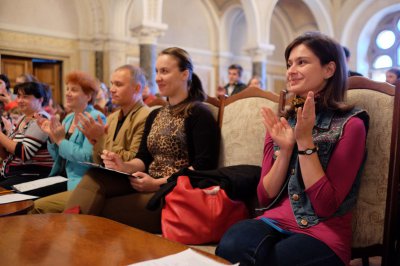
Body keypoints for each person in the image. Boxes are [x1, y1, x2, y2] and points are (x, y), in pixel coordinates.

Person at [216, 32, 369, 266]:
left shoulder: (351, 125)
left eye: (302, 62)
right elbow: (264, 196)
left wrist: (305, 142)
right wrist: (286, 149)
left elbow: (325, 205)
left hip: (322, 231)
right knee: (230, 244)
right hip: (274, 221)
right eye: (289, 64)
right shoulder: (282, 122)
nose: (290, 71)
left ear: (329, 69)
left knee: (277, 260)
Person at [64, 47, 220, 231]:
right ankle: (67, 235)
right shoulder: (156, 115)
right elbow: (144, 158)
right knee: (95, 176)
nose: (158, 78)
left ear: (185, 74)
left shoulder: (199, 113)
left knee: (102, 208)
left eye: (165, 71)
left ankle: (67, 237)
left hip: (175, 191)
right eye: (157, 71)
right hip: (148, 182)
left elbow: (203, 167)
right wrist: (124, 166)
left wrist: (156, 183)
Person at [30, 71, 106, 213]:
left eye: (74, 90)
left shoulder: (94, 117)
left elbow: (88, 158)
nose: (68, 93)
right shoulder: (69, 118)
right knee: (22, 196)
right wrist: (52, 138)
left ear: (88, 96)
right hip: (61, 176)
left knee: (33, 205)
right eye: (68, 89)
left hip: (80, 181)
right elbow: (58, 157)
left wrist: (60, 140)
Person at [76, 64, 150, 163]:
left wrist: (101, 139)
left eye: (118, 84)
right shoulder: (112, 117)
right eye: (112, 84)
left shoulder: (147, 116)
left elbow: (134, 160)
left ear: (137, 88)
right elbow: (98, 161)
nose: (112, 89)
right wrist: (97, 143)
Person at [0, 82, 54, 191]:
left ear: (40, 99)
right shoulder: (22, 119)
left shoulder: (41, 120)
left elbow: (24, 153)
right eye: (18, 96)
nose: (19, 100)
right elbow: (7, 155)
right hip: (14, 173)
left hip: (32, 176)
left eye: (25, 97)